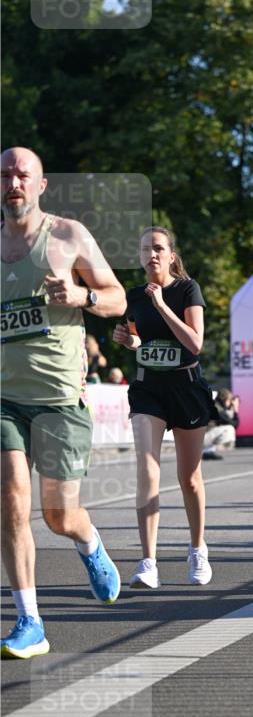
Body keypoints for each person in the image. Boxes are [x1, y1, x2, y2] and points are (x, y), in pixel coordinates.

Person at [1, 147, 126, 659]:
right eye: (5, 174)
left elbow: (118, 295)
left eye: (22, 174)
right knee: (10, 499)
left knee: (57, 515)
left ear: (41, 184)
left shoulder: (68, 236)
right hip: (5, 399)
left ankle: (88, 540)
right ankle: (29, 620)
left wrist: (81, 299)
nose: (13, 182)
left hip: (59, 399)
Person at [112, 226, 215, 589]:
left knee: (189, 478)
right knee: (148, 470)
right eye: (145, 250)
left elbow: (195, 342)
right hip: (148, 388)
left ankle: (197, 548)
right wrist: (129, 340)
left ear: (172, 255)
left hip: (186, 387)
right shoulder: (133, 295)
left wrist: (161, 306)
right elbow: (141, 340)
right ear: (140, 257)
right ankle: (148, 561)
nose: (151, 255)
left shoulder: (187, 289)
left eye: (158, 248)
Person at [202, 387, 239, 459]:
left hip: (201, 436)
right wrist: (235, 409)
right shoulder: (217, 409)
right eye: (229, 400)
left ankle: (208, 452)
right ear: (224, 399)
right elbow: (235, 424)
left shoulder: (215, 405)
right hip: (203, 438)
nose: (230, 402)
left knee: (223, 427)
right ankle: (212, 448)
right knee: (229, 428)